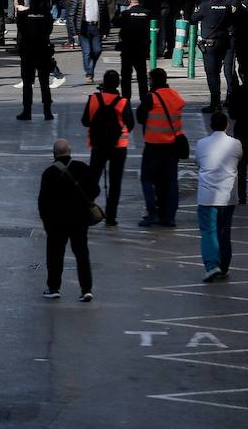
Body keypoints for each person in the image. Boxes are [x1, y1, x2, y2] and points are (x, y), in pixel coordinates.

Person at [38, 139, 99, 302]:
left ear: (54, 154)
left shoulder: (49, 173)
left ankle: (54, 288)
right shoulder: (82, 168)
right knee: (81, 253)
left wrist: (46, 222)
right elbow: (95, 190)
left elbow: (42, 202)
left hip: (57, 221)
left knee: (55, 254)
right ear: (69, 152)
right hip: (79, 219)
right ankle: (86, 289)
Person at [82, 70, 134, 226]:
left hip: (97, 145)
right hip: (118, 146)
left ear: (103, 83)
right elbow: (130, 124)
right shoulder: (123, 102)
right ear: (117, 84)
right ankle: (111, 217)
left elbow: (85, 121)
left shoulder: (94, 99)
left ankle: (87, 210)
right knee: (115, 182)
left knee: (92, 180)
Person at [137, 68, 186, 228]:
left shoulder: (152, 98)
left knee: (147, 179)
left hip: (153, 145)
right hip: (172, 146)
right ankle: (169, 216)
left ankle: (152, 213)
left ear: (153, 80)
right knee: (170, 181)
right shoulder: (175, 96)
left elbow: (140, 117)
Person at [196, 111, 241, 282]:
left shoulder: (201, 143)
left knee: (208, 231)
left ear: (210, 125)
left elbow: (199, 162)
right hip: (228, 196)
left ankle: (211, 265)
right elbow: (238, 160)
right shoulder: (235, 144)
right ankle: (224, 267)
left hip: (207, 196)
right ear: (227, 125)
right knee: (224, 231)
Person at [190, 0, 235, 113]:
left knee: (212, 74)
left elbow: (193, 19)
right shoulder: (227, 6)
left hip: (210, 45)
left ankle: (215, 103)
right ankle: (219, 101)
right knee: (218, 72)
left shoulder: (205, 6)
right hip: (223, 43)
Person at [15, 0, 54, 122]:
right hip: (43, 51)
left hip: (28, 52)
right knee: (44, 83)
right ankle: (47, 111)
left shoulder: (24, 16)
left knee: (27, 83)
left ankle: (27, 111)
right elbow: (49, 30)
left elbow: (21, 30)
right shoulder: (47, 16)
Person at [115, 0, 152, 104]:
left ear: (130, 0)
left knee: (126, 76)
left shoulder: (126, 14)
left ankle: (126, 99)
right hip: (141, 49)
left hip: (127, 48)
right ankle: (144, 99)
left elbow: (115, 22)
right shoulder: (147, 13)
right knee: (142, 76)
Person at [73, 0, 108, 83]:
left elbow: (105, 13)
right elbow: (71, 15)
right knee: (87, 51)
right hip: (83, 26)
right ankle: (89, 73)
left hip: (96, 27)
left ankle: (90, 67)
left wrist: (105, 30)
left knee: (97, 50)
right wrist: (73, 32)